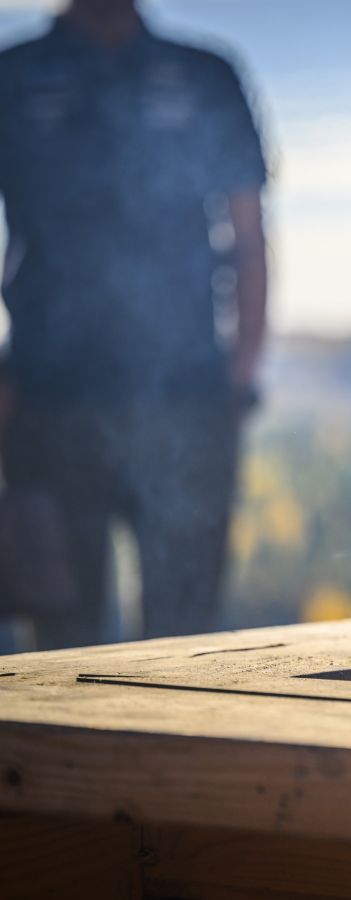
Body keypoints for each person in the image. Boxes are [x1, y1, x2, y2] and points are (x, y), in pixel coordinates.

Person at [0, 0, 269, 648]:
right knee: (60, 657)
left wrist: (236, 380)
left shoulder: (203, 74)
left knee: (187, 647)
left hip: (188, 400)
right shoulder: (14, 75)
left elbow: (250, 235)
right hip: (47, 404)